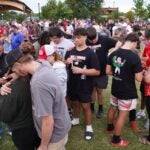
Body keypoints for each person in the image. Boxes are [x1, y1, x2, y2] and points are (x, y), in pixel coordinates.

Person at [14, 53, 71, 150]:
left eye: (13, 70)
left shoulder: (38, 83)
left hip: (54, 135)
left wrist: (44, 145)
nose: (15, 73)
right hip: (63, 124)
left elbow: (48, 121)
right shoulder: (43, 64)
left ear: (19, 64)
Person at [106, 33, 143, 147]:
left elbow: (108, 71)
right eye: (136, 45)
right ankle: (116, 140)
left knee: (113, 107)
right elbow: (139, 78)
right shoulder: (134, 56)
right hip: (127, 91)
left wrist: (119, 74)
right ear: (134, 42)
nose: (135, 47)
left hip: (116, 88)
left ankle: (109, 128)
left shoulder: (113, 53)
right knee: (122, 115)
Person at [65, 28, 100, 141]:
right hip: (72, 83)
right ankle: (75, 119)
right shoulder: (70, 51)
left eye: (78, 37)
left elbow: (97, 71)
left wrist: (82, 71)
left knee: (85, 106)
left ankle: (89, 127)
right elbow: (63, 64)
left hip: (85, 84)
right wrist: (66, 62)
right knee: (75, 103)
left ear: (85, 37)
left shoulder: (90, 53)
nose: (76, 39)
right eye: (75, 37)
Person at [86, 27, 122, 118]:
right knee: (92, 90)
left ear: (97, 35)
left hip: (101, 71)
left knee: (99, 91)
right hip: (90, 71)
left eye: (94, 39)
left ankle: (100, 109)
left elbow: (119, 43)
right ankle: (92, 107)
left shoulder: (104, 39)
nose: (93, 42)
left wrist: (113, 50)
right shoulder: (86, 40)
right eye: (90, 40)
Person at [139, 28, 150, 145]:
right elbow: (144, 61)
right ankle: (142, 112)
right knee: (144, 95)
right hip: (146, 79)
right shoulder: (146, 47)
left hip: (148, 79)